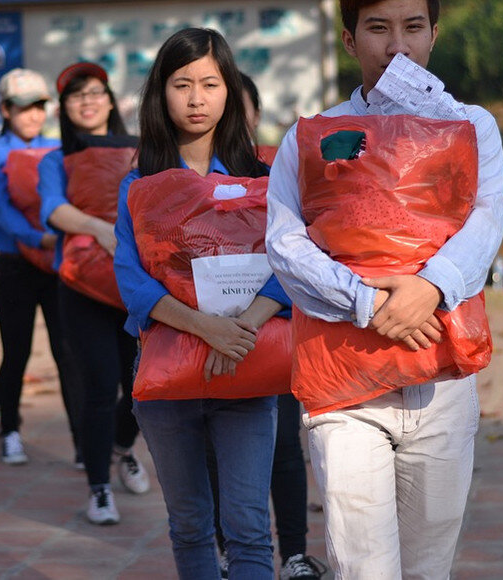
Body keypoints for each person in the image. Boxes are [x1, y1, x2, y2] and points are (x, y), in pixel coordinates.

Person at [265, 0, 503, 577]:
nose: (396, 45)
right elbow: (285, 242)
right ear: (349, 41)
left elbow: (487, 218)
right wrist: (367, 302)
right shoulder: (313, 136)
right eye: (377, 28)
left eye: (412, 26)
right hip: (344, 385)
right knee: (363, 566)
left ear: (433, 35)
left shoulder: (471, 125)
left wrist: (430, 287)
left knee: (429, 566)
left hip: (442, 377)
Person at [114, 28, 287, 579]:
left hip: (248, 369)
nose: (196, 98)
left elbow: (295, 264)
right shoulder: (141, 183)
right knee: (190, 528)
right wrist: (203, 327)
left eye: (210, 84)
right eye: (181, 83)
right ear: (160, 93)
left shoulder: (266, 177)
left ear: (229, 91)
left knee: (250, 532)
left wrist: (240, 331)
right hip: (168, 380)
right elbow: (130, 276)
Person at [207, 72, 326, 580]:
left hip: (273, 328)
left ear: (253, 115)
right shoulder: (185, 184)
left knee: (282, 447)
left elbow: (300, 252)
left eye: (241, 106)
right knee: (217, 452)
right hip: (205, 338)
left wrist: (257, 315)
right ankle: (230, 550)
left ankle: (294, 554)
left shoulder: (277, 176)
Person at [38, 61, 150, 525]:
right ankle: (99, 487)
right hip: (81, 286)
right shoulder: (54, 159)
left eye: (95, 92)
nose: (87, 101)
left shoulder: (141, 152)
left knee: (144, 388)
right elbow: (54, 209)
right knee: (100, 387)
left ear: (110, 100)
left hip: (137, 287)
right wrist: (99, 229)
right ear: (64, 107)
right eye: (76, 95)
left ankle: (120, 448)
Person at [0, 68, 83, 464]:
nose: (33, 115)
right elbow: (1, 211)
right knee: (15, 351)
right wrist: (42, 238)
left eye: (39, 106)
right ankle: (11, 432)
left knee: (67, 353)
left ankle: (81, 442)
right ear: (5, 109)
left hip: (56, 266)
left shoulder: (60, 149)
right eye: (23, 108)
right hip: (15, 267)